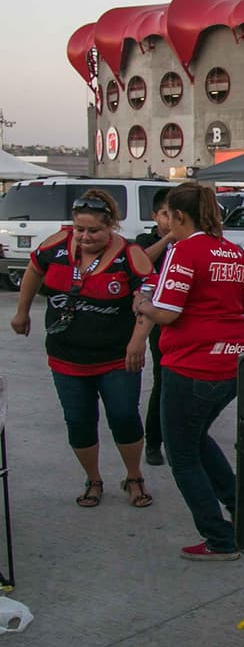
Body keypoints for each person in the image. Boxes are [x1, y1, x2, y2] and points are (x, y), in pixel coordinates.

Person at [10, 190, 155, 509]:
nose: (85, 237)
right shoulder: (55, 246)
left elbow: (149, 295)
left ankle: (133, 476)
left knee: (123, 417)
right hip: (66, 357)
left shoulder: (130, 254)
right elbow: (33, 270)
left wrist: (138, 339)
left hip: (117, 358)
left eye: (94, 231)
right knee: (78, 420)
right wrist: (22, 311)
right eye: (80, 230)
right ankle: (93, 479)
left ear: (111, 228)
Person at [133, 183, 244, 560]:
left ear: (178, 216)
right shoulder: (232, 251)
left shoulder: (183, 250)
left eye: (167, 215)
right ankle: (243, 514)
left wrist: (143, 304)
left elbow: (167, 311)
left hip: (193, 363)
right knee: (197, 438)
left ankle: (219, 538)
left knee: (181, 453)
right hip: (231, 360)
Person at [134, 189, 177, 467]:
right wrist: (170, 238)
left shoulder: (188, 242)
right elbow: (141, 263)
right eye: (165, 214)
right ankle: (153, 441)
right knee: (162, 380)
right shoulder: (144, 241)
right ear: (154, 216)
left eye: (175, 215)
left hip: (180, 317)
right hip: (154, 319)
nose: (170, 220)